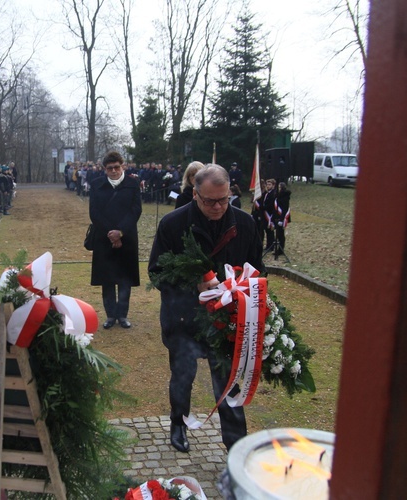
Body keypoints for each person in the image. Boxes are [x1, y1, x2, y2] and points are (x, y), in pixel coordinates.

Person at [148, 165, 264, 453]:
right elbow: (157, 272)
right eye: (209, 200)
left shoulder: (246, 224)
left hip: (228, 320)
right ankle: (178, 423)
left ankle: (235, 442)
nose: (217, 206)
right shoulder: (173, 224)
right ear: (195, 194)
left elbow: (258, 271)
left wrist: (240, 292)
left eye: (224, 199)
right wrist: (194, 285)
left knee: (227, 381)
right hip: (184, 317)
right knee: (182, 375)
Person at [89, 151, 142, 329]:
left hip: (127, 237)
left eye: (117, 167)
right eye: (110, 168)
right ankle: (110, 315)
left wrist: (121, 231)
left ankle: (123, 315)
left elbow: (136, 210)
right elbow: (94, 212)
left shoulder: (133, 184)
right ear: (105, 169)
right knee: (107, 279)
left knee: (125, 278)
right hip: (104, 238)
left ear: (123, 166)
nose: (114, 171)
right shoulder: (97, 185)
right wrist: (111, 233)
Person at [273, 182, 291, 255]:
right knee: (277, 233)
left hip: (281, 217)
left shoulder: (285, 197)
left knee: (280, 234)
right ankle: (277, 248)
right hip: (277, 216)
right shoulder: (278, 196)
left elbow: (284, 209)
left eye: (280, 187)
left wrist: (281, 219)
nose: (278, 189)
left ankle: (281, 249)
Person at [262, 178, 277, 251]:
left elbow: (271, 205)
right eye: (267, 184)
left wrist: (264, 207)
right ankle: (269, 245)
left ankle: (271, 246)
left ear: (273, 185)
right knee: (267, 231)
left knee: (270, 231)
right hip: (265, 214)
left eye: (269, 184)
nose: (268, 186)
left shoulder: (273, 194)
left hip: (270, 215)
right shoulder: (267, 193)